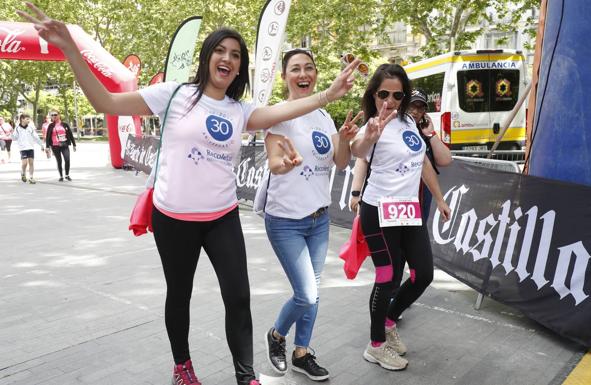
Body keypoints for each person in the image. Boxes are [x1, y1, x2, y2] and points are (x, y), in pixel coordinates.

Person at [19, 4, 359, 385]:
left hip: (222, 218)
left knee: (239, 297)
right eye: (221, 50)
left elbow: (282, 110)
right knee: (179, 296)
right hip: (174, 219)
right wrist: (70, 50)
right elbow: (106, 104)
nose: (227, 58)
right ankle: (182, 367)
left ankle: (245, 376)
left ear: (240, 67)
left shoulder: (240, 109)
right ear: (207, 55)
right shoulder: (174, 94)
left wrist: (328, 94)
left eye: (235, 54)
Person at [263, 48, 361, 381]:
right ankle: (277, 335)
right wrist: (284, 164)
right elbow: (274, 163)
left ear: (316, 74)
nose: (303, 74)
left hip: (319, 219)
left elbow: (341, 162)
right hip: (286, 221)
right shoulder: (278, 114)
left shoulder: (323, 117)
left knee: (313, 293)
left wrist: (345, 139)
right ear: (284, 77)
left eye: (309, 68)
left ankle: (302, 352)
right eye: (295, 69)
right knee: (306, 293)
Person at [350, 64, 451, 371]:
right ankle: (376, 345)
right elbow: (357, 150)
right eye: (383, 94)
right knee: (387, 277)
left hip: (408, 211)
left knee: (423, 274)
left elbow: (423, 164)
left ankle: (390, 320)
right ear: (373, 94)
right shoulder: (372, 124)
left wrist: (439, 198)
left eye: (397, 94)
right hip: (378, 210)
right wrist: (370, 134)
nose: (390, 101)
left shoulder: (409, 122)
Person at [12, 113, 45, 183]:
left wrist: (41, 145)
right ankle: (23, 173)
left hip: (30, 147)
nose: (28, 120)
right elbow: (14, 138)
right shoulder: (17, 128)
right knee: (24, 163)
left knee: (31, 162)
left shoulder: (30, 128)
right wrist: (11, 134)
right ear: (22, 119)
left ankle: (31, 177)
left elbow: (36, 137)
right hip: (23, 148)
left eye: (29, 119)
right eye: (27, 119)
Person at [45, 110, 76, 181]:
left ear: (59, 115)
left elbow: (70, 134)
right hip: (55, 146)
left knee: (67, 160)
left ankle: (67, 175)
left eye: (55, 114)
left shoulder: (64, 124)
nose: (53, 116)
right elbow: (47, 137)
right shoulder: (51, 125)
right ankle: (61, 176)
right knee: (59, 161)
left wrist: (74, 144)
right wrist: (47, 147)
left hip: (64, 144)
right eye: (52, 115)